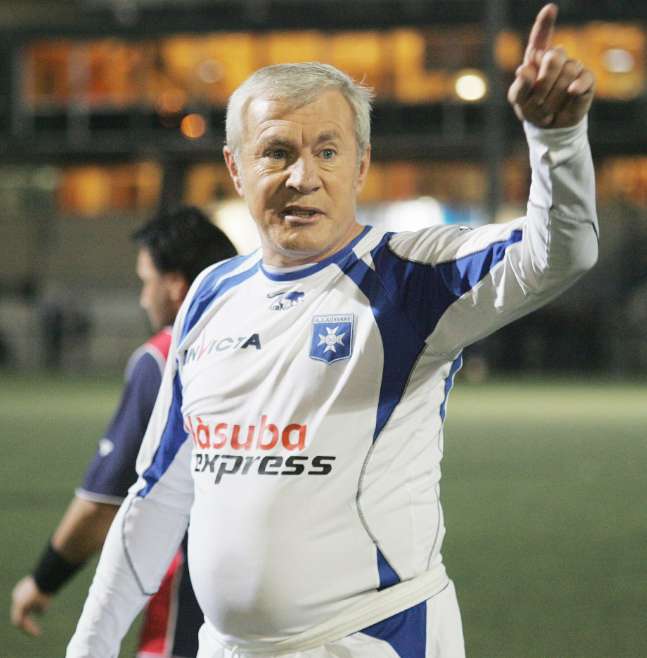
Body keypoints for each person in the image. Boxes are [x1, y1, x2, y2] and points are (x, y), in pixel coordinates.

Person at [66, 5, 598, 657]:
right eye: (277, 153)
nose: (303, 177)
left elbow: (559, 253)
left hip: (372, 641)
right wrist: (87, 647)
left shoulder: (410, 277)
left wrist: (556, 143)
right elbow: (156, 497)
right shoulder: (211, 294)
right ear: (235, 169)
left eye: (326, 151)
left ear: (361, 165)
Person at [10, 206, 237, 657]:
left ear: (174, 286)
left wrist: (43, 580)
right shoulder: (272, 345)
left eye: (145, 280)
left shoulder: (165, 358)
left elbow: (102, 506)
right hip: (280, 604)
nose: (141, 297)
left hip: (192, 605)